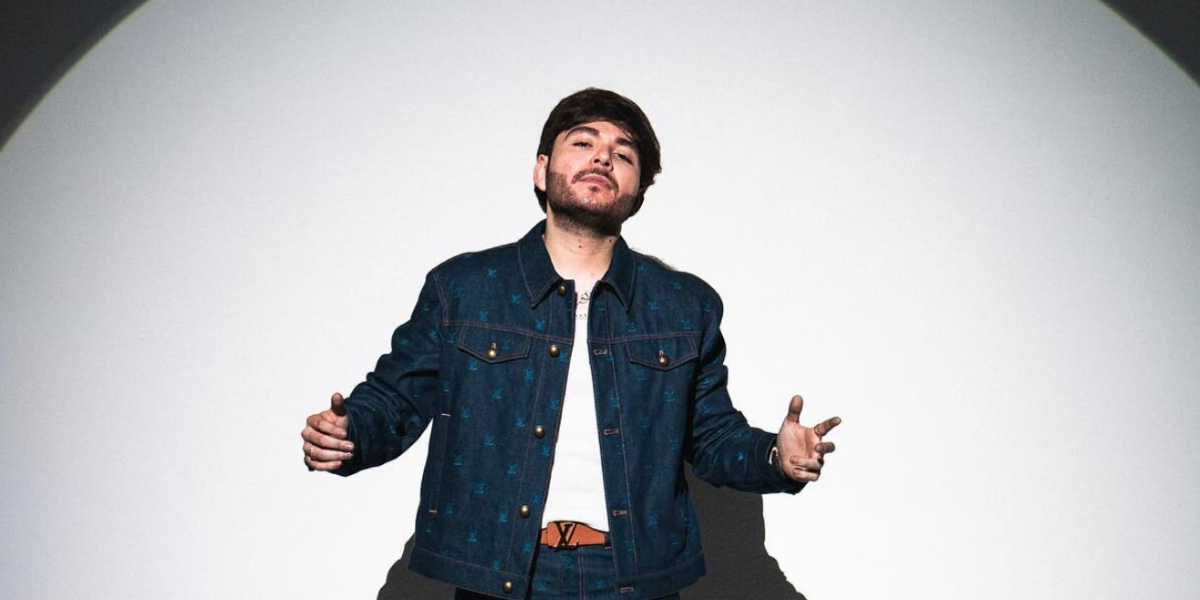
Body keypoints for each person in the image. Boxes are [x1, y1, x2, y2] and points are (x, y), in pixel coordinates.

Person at [300, 88, 841, 600]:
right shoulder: (463, 289)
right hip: (497, 571)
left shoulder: (685, 305)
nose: (603, 157)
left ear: (639, 193)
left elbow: (712, 437)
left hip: (632, 577)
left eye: (623, 154)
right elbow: (394, 401)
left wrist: (777, 455)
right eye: (583, 142)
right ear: (541, 170)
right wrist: (349, 433)